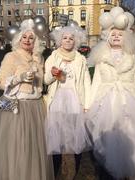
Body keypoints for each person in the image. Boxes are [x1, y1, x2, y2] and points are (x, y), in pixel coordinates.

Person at [86, 7, 135, 180]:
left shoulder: (132, 57)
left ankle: (130, 172)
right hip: (106, 105)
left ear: (126, 37)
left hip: (129, 104)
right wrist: (88, 105)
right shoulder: (101, 58)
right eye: (112, 33)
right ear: (106, 36)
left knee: (132, 140)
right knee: (109, 140)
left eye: (120, 34)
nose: (116, 36)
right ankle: (109, 172)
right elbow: (96, 84)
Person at [0, 19, 54, 180]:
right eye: (24, 37)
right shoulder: (11, 56)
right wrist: (19, 78)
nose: (28, 40)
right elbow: (0, 82)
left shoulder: (39, 58)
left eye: (31, 38)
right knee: (16, 147)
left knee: (33, 147)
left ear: (36, 41)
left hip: (35, 106)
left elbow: (43, 82)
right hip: (15, 106)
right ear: (18, 39)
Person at [44, 25, 92, 179]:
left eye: (71, 38)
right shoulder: (53, 56)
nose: (68, 40)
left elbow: (86, 82)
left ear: (76, 41)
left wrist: (87, 104)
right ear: (60, 40)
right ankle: (60, 168)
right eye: (65, 37)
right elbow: (46, 80)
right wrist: (52, 74)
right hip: (56, 101)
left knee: (70, 137)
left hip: (75, 101)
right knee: (58, 136)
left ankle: (69, 171)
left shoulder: (81, 59)